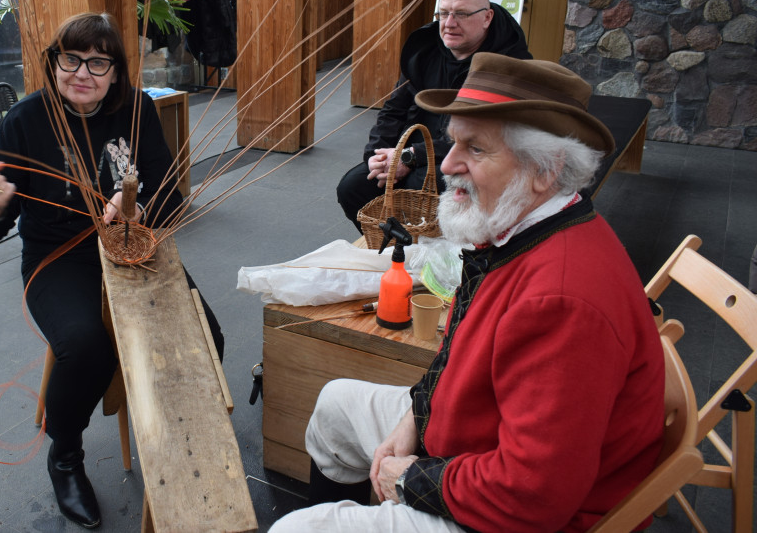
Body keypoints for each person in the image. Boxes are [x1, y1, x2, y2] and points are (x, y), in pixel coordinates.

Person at [273, 53, 665, 532]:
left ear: (546, 169)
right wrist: (415, 419)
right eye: (454, 141)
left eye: (476, 149)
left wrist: (413, 479)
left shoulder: (561, 300)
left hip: (518, 516)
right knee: (336, 404)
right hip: (474, 446)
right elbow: (455, 358)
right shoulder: (518, 231)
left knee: (297, 530)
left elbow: (533, 496)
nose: (451, 164)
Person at [0, 12, 223, 529]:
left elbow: (168, 191)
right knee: (86, 344)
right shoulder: (25, 120)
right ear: (53, 62)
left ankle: (170, 437)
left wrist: (139, 210)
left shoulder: (136, 110)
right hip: (58, 256)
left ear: (116, 70)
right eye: (71, 58)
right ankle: (65, 457)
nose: (83, 72)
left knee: (204, 339)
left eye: (98, 62)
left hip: (133, 246)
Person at [336, 0, 532, 230]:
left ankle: (436, 257)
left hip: (470, 160)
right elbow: (394, 109)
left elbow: (487, 135)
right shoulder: (424, 52)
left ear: (487, 17)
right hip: (409, 153)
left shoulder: (508, 65)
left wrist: (412, 157)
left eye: (461, 14)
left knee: (422, 182)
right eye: (444, 13)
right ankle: (398, 251)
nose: (449, 23)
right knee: (353, 187)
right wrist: (377, 155)